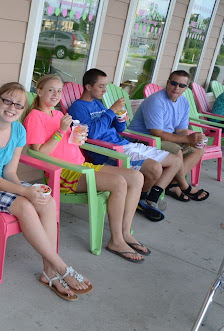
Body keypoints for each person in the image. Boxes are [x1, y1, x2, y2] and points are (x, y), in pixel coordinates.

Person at [0, 82, 92, 301]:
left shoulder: (18, 130)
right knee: (25, 206)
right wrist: (23, 194)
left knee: (46, 200)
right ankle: (60, 267)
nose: (12, 108)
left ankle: (49, 272)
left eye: (18, 105)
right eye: (7, 101)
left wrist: (25, 190)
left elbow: (10, 172)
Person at [24, 75, 149, 263]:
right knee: (118, 182)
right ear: (39, 91)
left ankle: (125, 233)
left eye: (59, 91)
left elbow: (66, 144)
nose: (56, 94)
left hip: (82, 166)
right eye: (50, 90)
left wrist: (77, 138)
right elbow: (39, 153)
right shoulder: (35, 117)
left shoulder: (58, 115)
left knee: (136, 177)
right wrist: (61, 131)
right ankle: (116, 241)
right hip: (63, 174)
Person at [67, 68, 183, 222]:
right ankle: (139, 198)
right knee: (155, 169)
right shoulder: (78, 107)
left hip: (124, 144)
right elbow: (92, 133)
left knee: (175, 161)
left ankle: (147, 199)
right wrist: (111, 111)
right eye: (101, 86)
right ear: (88, 87)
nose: (104, 90)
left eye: (105, 86)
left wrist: (120, 118)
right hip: (108, 152)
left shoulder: (98, 104)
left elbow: (119, 129)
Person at [128, 70, 209, 202]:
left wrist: (193, 140)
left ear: (186, 88)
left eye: (181, 85)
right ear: (167, 83)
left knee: (200, 147)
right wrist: (187, 139)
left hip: (164, 138)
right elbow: (157, 133)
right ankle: (184, 186)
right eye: (174, 83)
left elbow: (181, 130)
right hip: (143, 139)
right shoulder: (156, 101)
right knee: (176, 151)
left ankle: (173, 184)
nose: (177, 88)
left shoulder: (184, 102)